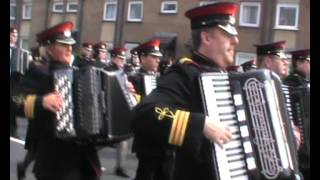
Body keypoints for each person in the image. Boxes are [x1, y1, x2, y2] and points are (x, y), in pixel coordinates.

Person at [130, 2, 238, 180]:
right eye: (227, 34)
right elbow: (144, 113)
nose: (236, 40)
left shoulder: (227, 77)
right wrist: (200, 124)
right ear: (207, 38)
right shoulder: (186, 73)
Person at [11, 21, 102, 180]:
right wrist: (41, 102)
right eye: (63, 45)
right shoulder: (38, 72)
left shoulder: (81, 73)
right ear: (50, 49)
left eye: (71, 45)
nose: (69, 49)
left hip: (86, 160)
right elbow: (15, 100)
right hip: (55, 160)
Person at [128, 39, 176, 180]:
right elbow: (135, 108)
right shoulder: (134, 79)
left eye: (158, 57)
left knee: (165, 173)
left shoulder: (161, 79)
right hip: (147, 138)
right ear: (143, 58)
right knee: (146, 174)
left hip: (164, 137)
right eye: (153, 57)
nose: (157, 61)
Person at [104, 47, 135, 178]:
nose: (123, 61)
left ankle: (120, 167)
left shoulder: (122, 73)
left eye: (123, 59)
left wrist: (129, 90)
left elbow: (125, 92)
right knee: (99, 141)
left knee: (123, 139)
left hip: (118, 110)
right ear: (113, 58)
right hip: (105, 110)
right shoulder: (105, 71)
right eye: (120, 59)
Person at [283, 49, 310, 180]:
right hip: (300, 152)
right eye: (308, 61)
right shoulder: (290, 84)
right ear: (299, 62)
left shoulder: (306, 83)